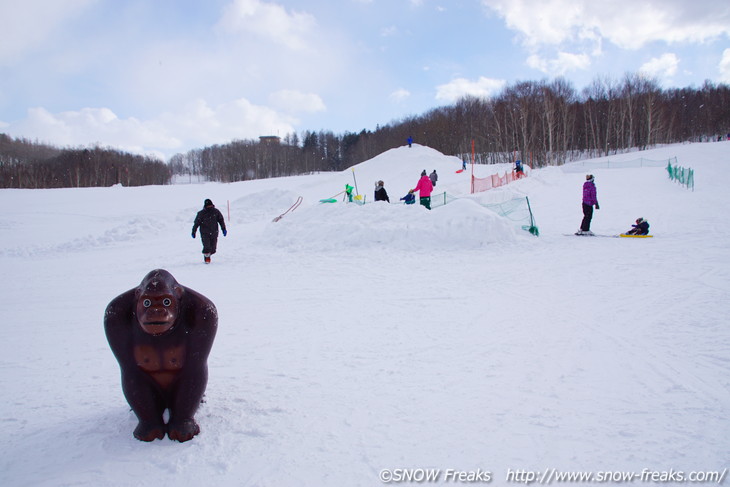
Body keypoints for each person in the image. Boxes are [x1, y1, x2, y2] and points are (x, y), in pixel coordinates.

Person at [192, 199, 227, 264]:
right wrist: (194, 231)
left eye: (210, 206)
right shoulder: (201, 213)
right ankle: (207, 258)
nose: (209, 207)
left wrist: (223, 229)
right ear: (205, 206)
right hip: (204, 233)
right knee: (206, 246)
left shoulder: (216, 212)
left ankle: (209, 254)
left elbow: (221, 220)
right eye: (208, 206)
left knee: (213, 248)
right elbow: (196, 223)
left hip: (214, 232)